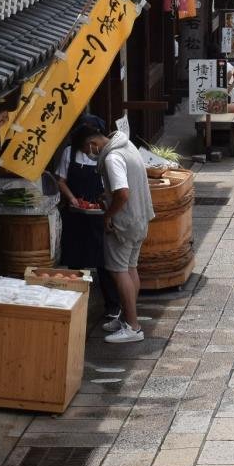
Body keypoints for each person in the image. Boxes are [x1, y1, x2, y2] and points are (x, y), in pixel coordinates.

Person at [84, 125, 155, 343]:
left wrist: (108, 215)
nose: (88, 154)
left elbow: (122, 193)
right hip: (140, 217)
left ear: (92, 144)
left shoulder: (112, 157)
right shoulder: (127, 144)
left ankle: (133, 327)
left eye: (86, 150)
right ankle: (127, 319)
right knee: (130, 268)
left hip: (124, 223)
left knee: (118, 271)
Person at [49, 117, 121, 322]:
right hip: (76, 214)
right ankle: (74, 304)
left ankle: (113, 306)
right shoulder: (69, 153)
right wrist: (72, 199)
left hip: (100, 214)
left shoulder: (108, 155)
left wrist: (105, 206)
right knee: (75, 259)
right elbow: (61, 180)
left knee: (103, 260)